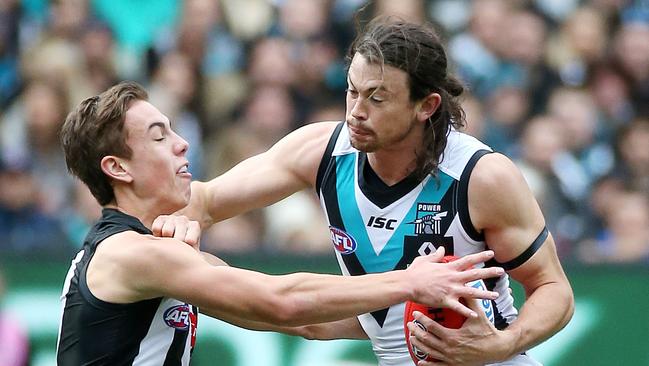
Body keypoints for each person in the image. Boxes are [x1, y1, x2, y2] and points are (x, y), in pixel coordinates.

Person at [163, 17, 575, 365]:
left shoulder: (481, 176)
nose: (356, 111)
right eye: (352, 91)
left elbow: (555, 290)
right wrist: (168, 228)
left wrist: (500, 344)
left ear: (426, 105)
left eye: (377, 98)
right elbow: (203, 202)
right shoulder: (319, 150)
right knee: (308, 320)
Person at [55, 81, 503, 365]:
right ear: (118, 168)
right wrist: (410, 284)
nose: (181, 143)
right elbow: (282, 301)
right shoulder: (134, 254)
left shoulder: (158, 253)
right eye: (159, 136)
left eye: (173, 129)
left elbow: (309, 323)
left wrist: (433, 321)